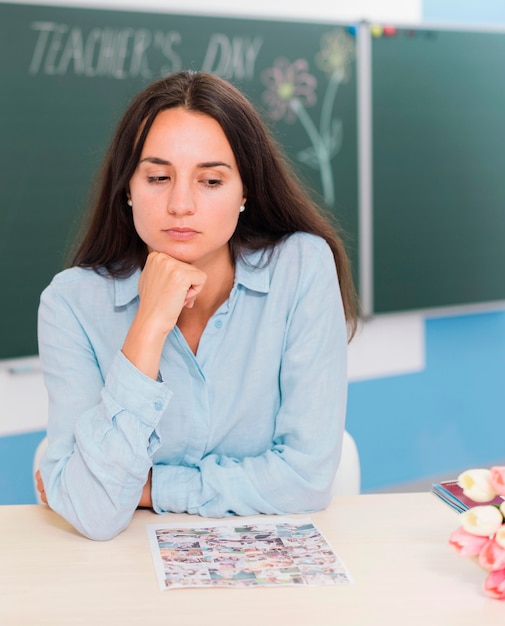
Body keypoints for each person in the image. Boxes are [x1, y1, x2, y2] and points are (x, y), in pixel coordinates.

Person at [35, 70, 359, 541]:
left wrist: (152, 487)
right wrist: (147, 326)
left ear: (245, 190)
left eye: (210, 180)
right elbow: (95, 513)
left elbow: (306, 479)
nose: (180, 204)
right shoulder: (70, 303)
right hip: (124, 575)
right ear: (127, 188)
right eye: (158, 177)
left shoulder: (302, 267)